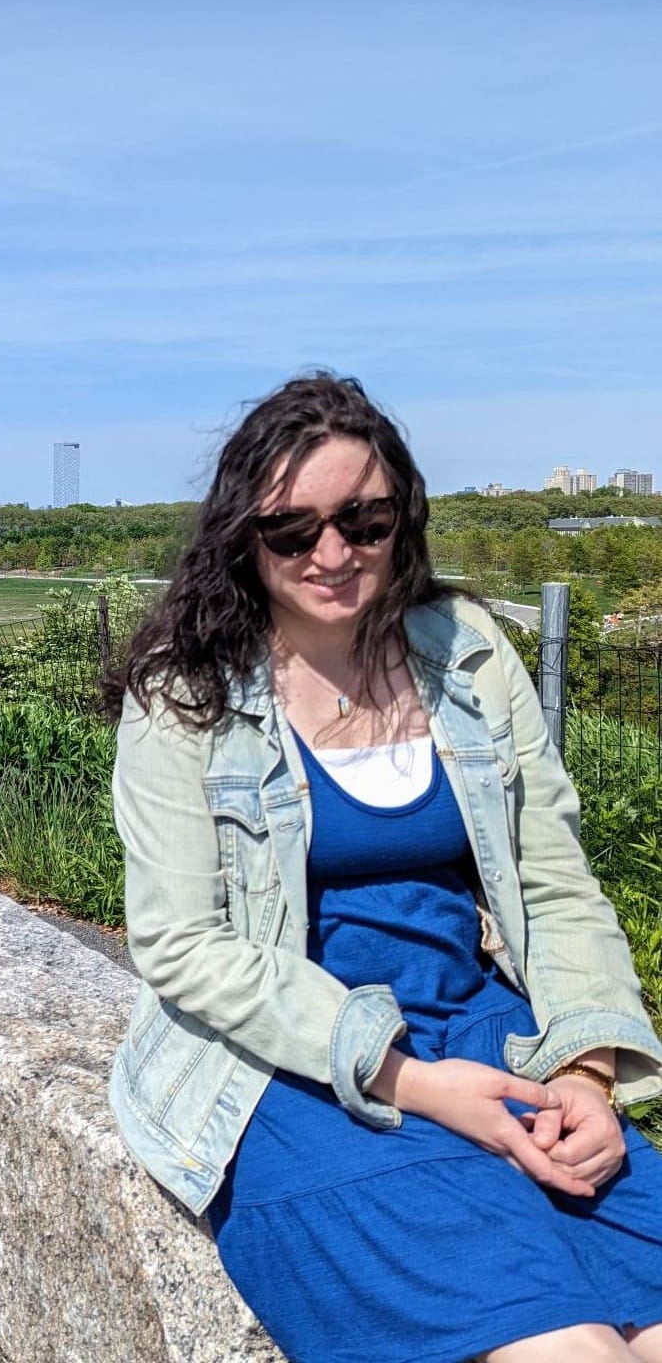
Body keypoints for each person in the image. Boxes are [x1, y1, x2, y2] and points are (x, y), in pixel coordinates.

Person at [105, 373, 662, 1363]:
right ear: (244, 535)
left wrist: (583, 1072)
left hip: (487, 1026)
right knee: (565, 1349)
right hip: (289, 1062)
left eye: (361, 520)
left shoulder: (466, 653)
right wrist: (411, 1079)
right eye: (291, 530)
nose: (330, 554)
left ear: (401, 516)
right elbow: (183, 948)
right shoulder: (184, 696)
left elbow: (551, 876)